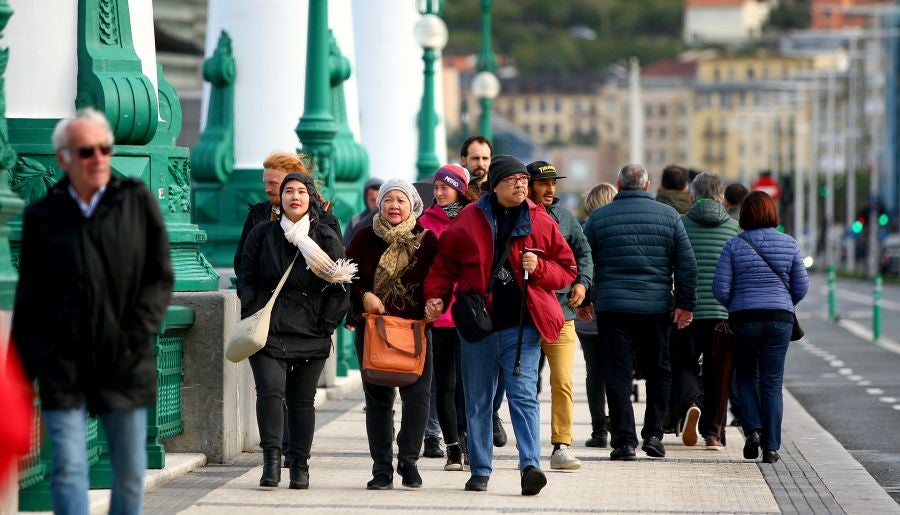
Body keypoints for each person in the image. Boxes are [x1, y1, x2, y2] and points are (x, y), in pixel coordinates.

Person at [12, 108, 174, 513]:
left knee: (130, 470)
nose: (99, 158)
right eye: (87, 151)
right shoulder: (42, 216)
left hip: (124, 359)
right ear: (64, 158)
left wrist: (135, 334)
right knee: (67, 467)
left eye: (104, 148)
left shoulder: (136, 202)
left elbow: (159, 277)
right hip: (63, 362)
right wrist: (19, 370)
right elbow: (30, 295)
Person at [425, 155, 577, 495]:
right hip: (478, 328)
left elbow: (567, 270)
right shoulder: (468, 219)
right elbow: (444, 264)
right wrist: (435, 296)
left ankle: (530, 468)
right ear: (494, 185)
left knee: (523, 397)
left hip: (522, 327)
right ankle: (480, 470)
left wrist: (538, 267)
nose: (521, 184)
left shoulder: (541, 221)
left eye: (523, 179)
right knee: (478, 400)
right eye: (512, 180)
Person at [237, 173, 352, 489]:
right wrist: (252, 308)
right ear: (281, 199)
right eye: (288, 191)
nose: (294, 196)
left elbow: (342, 286)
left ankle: (299, 465)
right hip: (269, 329)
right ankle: (271, 461)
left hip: (311, 331)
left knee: (302, 402)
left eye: (301, 191)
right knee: (271, 393)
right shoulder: (262, 234)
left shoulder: (325, 237)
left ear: (311, 198)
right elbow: (244, 273)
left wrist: (326, 324)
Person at [583, 163, 697, 461]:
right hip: (656, 307)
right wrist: (684, 304)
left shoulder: (598, 218)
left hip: (612, 308)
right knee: (660, 371)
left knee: (617, 373)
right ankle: (654, 435)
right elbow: (686, 265)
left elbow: (582, 262)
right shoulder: (670, 217)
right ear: (647, 187)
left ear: (618, 187)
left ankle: (624, 441)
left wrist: (585, 301)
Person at [346, 179, 438, 490]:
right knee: (378, 401)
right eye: (388, 200)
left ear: (413, 205)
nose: (394, 205)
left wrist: (437, 303)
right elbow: (347, 276)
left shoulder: (427, 240)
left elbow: (440, 280)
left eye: (400, 200)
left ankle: (408, 461)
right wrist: (363, 296)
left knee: (418, 397)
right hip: (375, 330)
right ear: (379, 204)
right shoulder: (363, 237)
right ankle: (382, 468)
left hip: (414, 331)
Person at [713, 191, 808, 464]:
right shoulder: (789, 244)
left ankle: (752, 429)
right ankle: (771, 447)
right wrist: (784, 303)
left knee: (744, 375)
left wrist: (737, 304)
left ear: (744, 215)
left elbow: (720, 288)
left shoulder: (734, 245)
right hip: (779, 319)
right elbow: (801, 286)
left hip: (744, 318)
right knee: (772, 381)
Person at [525, 160, 592, 470]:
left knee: (562, 380)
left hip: (562, 312)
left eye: (553, 183)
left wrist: (583, 283)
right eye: (543, 183)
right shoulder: (517, 217)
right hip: (524, 313)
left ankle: (561, 445)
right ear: (527, 184)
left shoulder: (566, 218)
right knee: (522, 384)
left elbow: (584, 253)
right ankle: (524, 448)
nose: (550, 188)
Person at [678, 173, 740, 449]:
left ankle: (691, 402)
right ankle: (713, 432)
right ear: (722, 198)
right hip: (723, 314)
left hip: (685, 309)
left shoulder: (680, 224)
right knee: (720, 373)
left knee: (684, 363)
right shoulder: (734, 229)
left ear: (692, 196)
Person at [417, 163, 471, 471]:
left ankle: (469, 441)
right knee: (444, 384)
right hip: (438, 317)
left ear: (460, 189)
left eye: (444, 188)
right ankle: (452, 447)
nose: (438, 194)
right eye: (436, 188)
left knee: (470, 385)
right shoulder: (425, 222)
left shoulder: (475, 218)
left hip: (468, 314)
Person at [457, 135, 508, 448]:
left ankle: (492, 412)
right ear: (464, 160)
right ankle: (466, 429)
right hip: (466, 296)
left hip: (500, 294)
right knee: (464, 373)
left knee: (503, 365)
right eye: (474, 159)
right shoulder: (454, 194)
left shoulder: (501, 195)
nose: (480, 165)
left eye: (485, 159)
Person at [234, 151, 340, 274]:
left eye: (273, 184)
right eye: (266, 183)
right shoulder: (258, 214)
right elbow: (242, 263)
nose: (267, 189)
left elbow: (337, 266)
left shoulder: (324, 218)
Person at [574, 183, 617, 448]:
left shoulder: (583, 230)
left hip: (587, 313)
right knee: (618, 371)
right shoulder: (619, 230)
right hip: (616, 310)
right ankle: (618, 423)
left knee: (594, 373)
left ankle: (599, 429)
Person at [343, 177, 384, 246]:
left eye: (379, 200)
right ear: (366, 199)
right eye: (373, 200)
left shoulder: (392, 220)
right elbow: (346, 248)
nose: (377, 204)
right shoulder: (355, 221)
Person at [460, 135, 493, 202]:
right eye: (475, 158)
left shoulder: (498, 190)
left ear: (491, 160)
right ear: (463, 160)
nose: (480, 163)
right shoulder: (456, 192)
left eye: (485, 158)